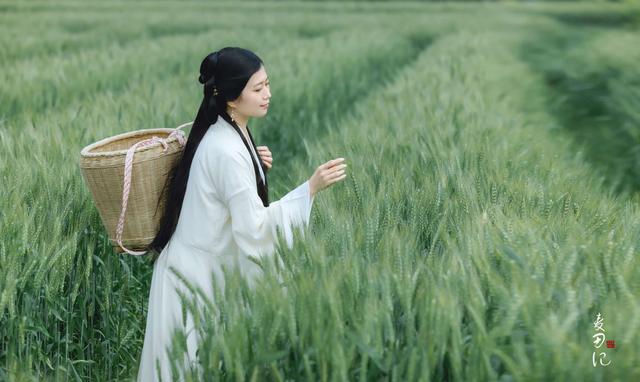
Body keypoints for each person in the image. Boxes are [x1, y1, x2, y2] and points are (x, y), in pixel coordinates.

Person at [136, 47, 347, 381]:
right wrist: (309, 189)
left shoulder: (227, 131)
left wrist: (252, 165)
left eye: (268, 84)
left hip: (200, 273)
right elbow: (254, 229)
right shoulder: (227, 148)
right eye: (258, 88)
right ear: (232, 98)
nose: (268, 94)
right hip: (194, 283)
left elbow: (221, 187)